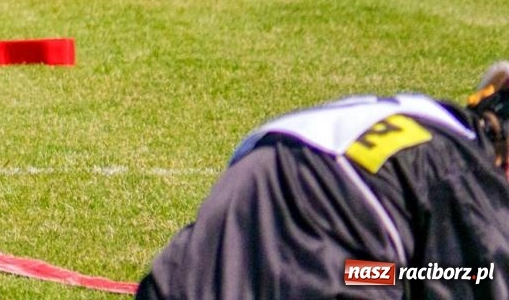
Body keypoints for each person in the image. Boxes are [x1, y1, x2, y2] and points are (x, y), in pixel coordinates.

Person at [137, 63, 509, 299]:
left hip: (196, 267)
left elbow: (371, 271)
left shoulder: (412, 114)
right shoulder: (464, 174)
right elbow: (470, 276)